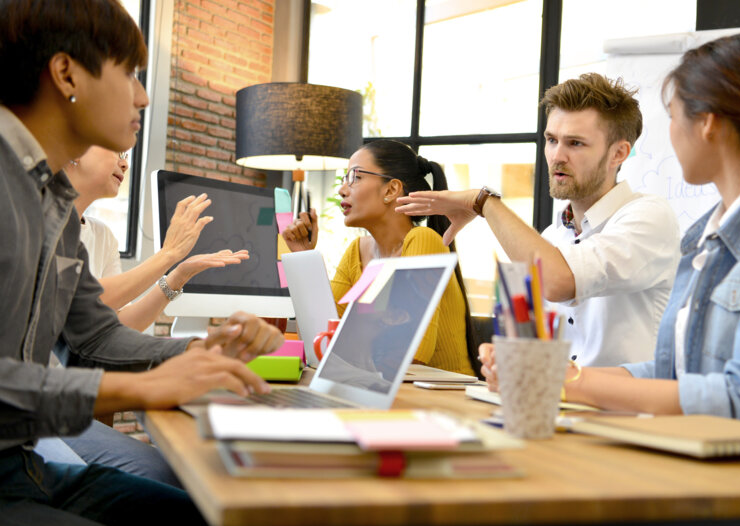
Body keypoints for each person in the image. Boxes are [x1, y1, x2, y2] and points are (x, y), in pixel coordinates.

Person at [0, 1, 283, 526]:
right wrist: (141, 387)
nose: (143, 96)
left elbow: (96, 335)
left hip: (21, 466)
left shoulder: (53, 200)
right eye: (129, 72)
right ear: (66, 74)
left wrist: (200, 351)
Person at [483, 34, 740, 460]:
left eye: (673, 117)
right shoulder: (705, 239)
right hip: (712, 475)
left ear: (708, 123)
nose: (670, 134)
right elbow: (673, 373)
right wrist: (561, 374)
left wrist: (560, 382)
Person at [396, 73, 681, 367]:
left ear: (618, 153)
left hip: (625, 411)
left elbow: (559, 282)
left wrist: (484, 202)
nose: (557, 155)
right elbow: (531, 339)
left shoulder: (649, 216)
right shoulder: (552, 238)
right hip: (557, 404)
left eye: (575, 143)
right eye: (551, 139)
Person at [283, 139, 478, 376]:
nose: (342, 189)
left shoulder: (423, 240)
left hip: (443, 401)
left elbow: (411, 356)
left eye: (355, 177)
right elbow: (321, 343)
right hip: (382, 390)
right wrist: (306, 259)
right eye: (344, 179)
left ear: (391, 190)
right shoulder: (357, 251)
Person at [65, 146, 249, 332]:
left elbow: (120, 325)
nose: (125, 164)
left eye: (125, 156)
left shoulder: (102, 235)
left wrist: (177, 277)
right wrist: (168, 254)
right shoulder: (39, 222)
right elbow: (81, 301)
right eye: (116, 152)